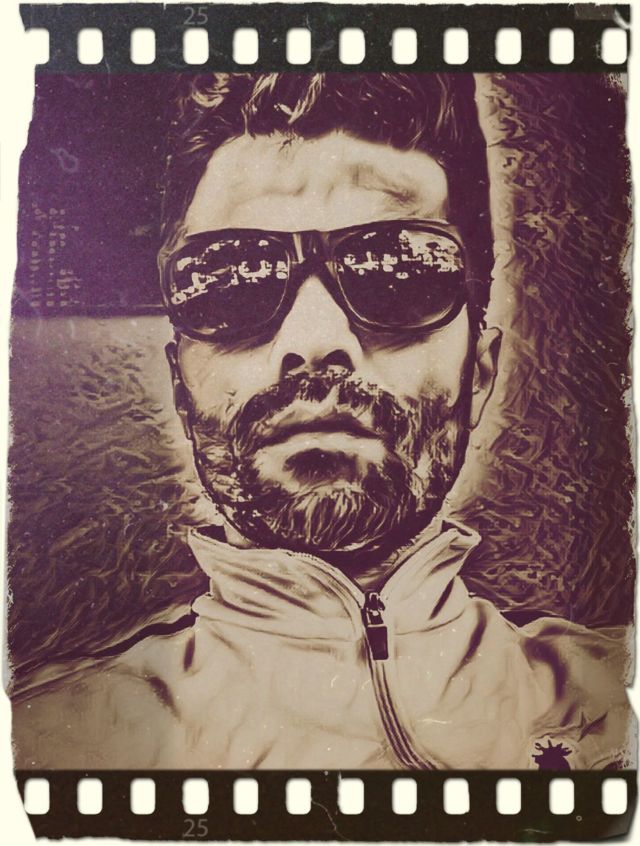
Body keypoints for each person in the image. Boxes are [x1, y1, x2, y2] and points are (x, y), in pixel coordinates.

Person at [12, 73, 635, 770]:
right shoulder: (56, 747)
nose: (314, 342)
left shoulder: (613, 708)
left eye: (400, 273)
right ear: (183, 390)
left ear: (479, 376)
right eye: (231, 280)